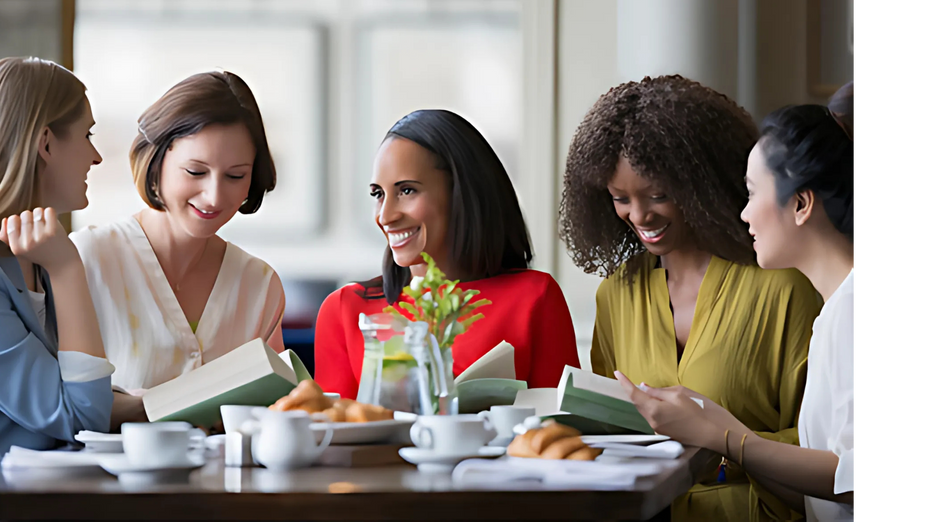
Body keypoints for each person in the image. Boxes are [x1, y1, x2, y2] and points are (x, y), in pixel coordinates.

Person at [558, 75, 822, 522]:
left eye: (658, 194)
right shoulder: (617, 296)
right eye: (621, 198)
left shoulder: (782, 287)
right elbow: (610, 437)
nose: (639, 215)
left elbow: (827, 453)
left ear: (701, 180)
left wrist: (718, 453)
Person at [616, 82, 857, 522]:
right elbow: (818, 491)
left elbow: (853, 481)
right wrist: (718, 426)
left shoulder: (852, 309)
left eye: (751, 192)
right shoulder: (835, 310)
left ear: (801, 203)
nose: (743, 213)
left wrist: (727, 437)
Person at [314, 109, 580, 399]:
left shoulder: (535, 299)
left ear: (462, 193)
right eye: (378, 194)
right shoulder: (344, 310)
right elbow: (333, 434)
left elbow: (560, 433)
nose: (385, 216)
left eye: (406, 191)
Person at [0, 57, 113, 479]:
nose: (96, 156)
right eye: (87, 134)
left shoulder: (29, 258)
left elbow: (79, 399)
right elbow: (80, 415)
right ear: (46, 143)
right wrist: (69, 269)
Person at [70, 71, 285, 397]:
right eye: (196, 171)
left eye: (235, 176)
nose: (214, 196)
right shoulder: (87, 260)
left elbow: (276, 409)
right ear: (156, 161)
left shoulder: (258, 284)